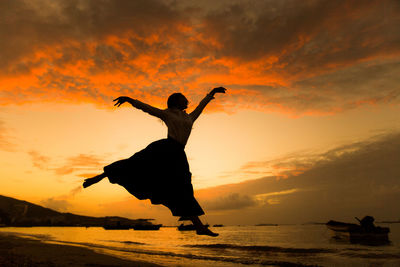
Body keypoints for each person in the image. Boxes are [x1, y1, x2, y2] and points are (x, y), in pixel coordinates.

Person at [83, 87, 227, 237]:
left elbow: (201, 107)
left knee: (183, 186)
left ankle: (198, 226)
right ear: (176, 101)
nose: (187, 100)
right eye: (184, 98)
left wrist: (212, 93)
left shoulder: (190, 118)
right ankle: (99, 177)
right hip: (164, 150)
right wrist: (130, 100)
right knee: (133, 165)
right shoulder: (167, 114)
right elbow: (147, 109)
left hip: (178, 155)